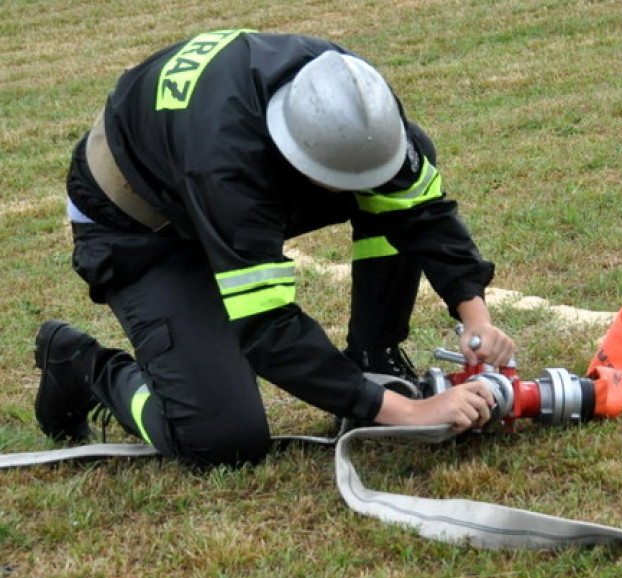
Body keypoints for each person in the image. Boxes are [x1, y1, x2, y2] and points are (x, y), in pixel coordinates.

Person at [34, 29, 515, 467]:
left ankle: (373, 357)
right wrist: (407, 411)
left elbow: (421, 210)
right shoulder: (229, 166)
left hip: (198, 170)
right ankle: (83, 366)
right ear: (292, 150)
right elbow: (266, 327)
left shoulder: (355, 96)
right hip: (139, 227)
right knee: (219, 439)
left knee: (392, 189)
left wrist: (476, 318)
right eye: (335, 178)